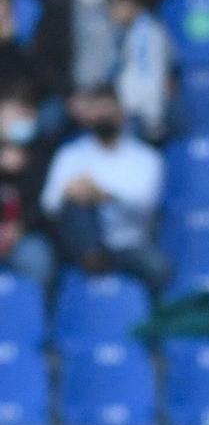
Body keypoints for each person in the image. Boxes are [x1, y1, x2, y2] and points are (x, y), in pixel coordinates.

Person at [43, 86, 167, 290]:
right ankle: (93, 258)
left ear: (121, 112)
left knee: (158, 268)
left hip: (127, 242)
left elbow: (147, 205)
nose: (103, 116)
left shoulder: (146, 158)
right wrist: (70, 192)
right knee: (77, 207)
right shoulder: (71, 154)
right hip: (77, 244)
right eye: (97, 111)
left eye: (108, 110)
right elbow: (49, 203)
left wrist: (103, 194)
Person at [0, 86, 53, 290]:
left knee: (37, 259)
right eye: (18, 113)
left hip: (23, 234)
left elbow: (44, 205)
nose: (25, 120)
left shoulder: (41, 152)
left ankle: (37, 318)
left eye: (29, 114)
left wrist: (19, 228)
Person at [110, 0, 172, 144]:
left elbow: (151, 76)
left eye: (117, 6)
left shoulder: (145, 34)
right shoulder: (131, 32)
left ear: (133, 4)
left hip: (142, 116)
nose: (112, 12)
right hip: (134, 113)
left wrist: (151, 117)